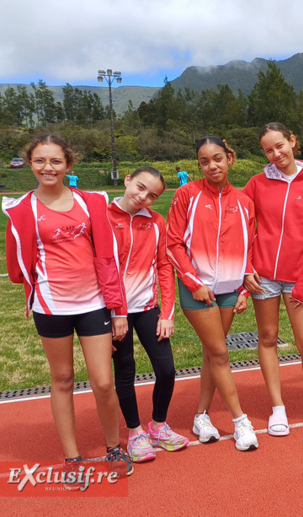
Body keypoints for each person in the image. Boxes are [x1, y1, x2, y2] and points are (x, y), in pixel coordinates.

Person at [2, 134, 134, 475]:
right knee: (62, 379)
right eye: (41, 161)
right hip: (51, 308)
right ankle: (73, 456)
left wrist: (118, 309)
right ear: (31, 165)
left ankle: (113, 448)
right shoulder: (20, 211)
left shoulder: (90, 203)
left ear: (68, 165)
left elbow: (109, 258)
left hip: (93, 305)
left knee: (103, 382)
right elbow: (16, 268)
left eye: (56, 161)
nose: (48, 167)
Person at [166, 136, 259, 451]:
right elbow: (173, 242)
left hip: (230, 290)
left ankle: (201, 416)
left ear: (229, 158)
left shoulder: (245, 201)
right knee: (220, 353)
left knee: (211, 353)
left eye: (217, 158)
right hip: (198, 290)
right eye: (204, 161)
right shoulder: (186, 194)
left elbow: (250, 247)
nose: (211, 166)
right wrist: (193, 281)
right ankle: (240, 421)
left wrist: (245, 287)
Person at [241, 122, 303, 437]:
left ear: (293, 140)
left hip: (298, 278)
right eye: (268, 149)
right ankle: (277, 407)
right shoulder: (255, 183)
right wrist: (247, 270)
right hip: (263, 277)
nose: (276, 153)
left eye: (280, 145)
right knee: (267, 339)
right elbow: (243, 227)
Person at [108, 166, 189, 463]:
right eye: (140, 187)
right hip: (114, 313)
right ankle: (135, 432)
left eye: (152, 195)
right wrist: (113, 312)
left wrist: (167, 313)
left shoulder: (156, 221)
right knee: (125, 371)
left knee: (166, 370)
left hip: (147, 308)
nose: (143, 197)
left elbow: (164, 266)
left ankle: (158, 426)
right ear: (127, 180)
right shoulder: (103, 216)